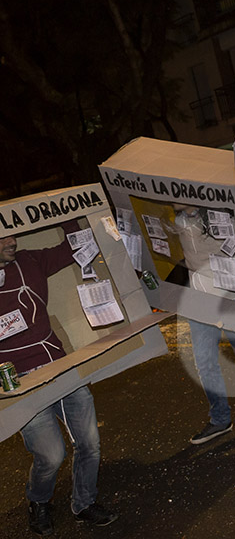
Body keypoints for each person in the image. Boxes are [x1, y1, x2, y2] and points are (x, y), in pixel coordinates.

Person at [0, 223, 118, 535]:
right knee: (51, 456)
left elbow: (77, 246)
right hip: (19, 381)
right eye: (3, 238)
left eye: (13, 233)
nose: (11, 241)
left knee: (89, 442)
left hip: (59, 366)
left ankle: (84, 502)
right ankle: (39, 501)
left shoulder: (31, 261)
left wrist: (68, 212)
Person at [167, 204, 235, 445]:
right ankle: (220, 419)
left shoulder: (220, 212)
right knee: (204, 362)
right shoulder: (178, 220)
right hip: (199, 300)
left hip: (231, 297)